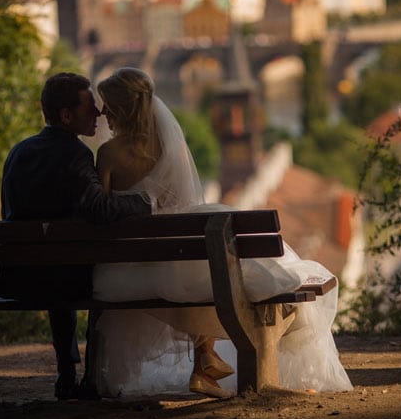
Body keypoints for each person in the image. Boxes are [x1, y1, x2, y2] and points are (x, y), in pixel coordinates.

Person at [87, 67, 353, 399]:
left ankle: (205, 362)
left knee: (194, 273)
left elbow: (105, 211)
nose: (102, 112)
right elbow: (183, 203)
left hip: (129, 267)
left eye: (107, 105)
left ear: (121, 109)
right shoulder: (173, 148)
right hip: (174, 257)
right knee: (208, 265)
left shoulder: (109, 154)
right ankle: (204, 360)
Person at [0, 72, 153, 400]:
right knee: (103, 274)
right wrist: (145, 201)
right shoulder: (76, 155)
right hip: (66, 278)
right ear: (66, 116)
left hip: (20, 276)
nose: (97, 114)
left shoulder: (18, 153)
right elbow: (99, 209)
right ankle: (91, 375)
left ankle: (66, 372)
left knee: (59, 265)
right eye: (89, 108)